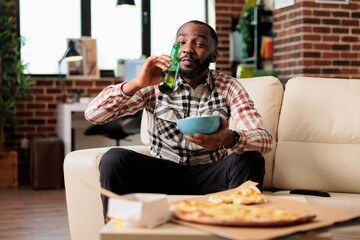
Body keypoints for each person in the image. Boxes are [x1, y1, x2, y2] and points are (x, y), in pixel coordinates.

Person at [85, 20, 273, 219]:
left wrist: (227, 139)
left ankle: (240, 228)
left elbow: (264, 140)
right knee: (114, 159)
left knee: (250, 159)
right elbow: (93, 115)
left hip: (209, 176)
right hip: (160, 175)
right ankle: (121, 232)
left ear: (214, 54)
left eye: (199, 44)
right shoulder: (155, 83)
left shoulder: (228, 86)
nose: (188, 50)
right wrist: (136, 84)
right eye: (181, 43)